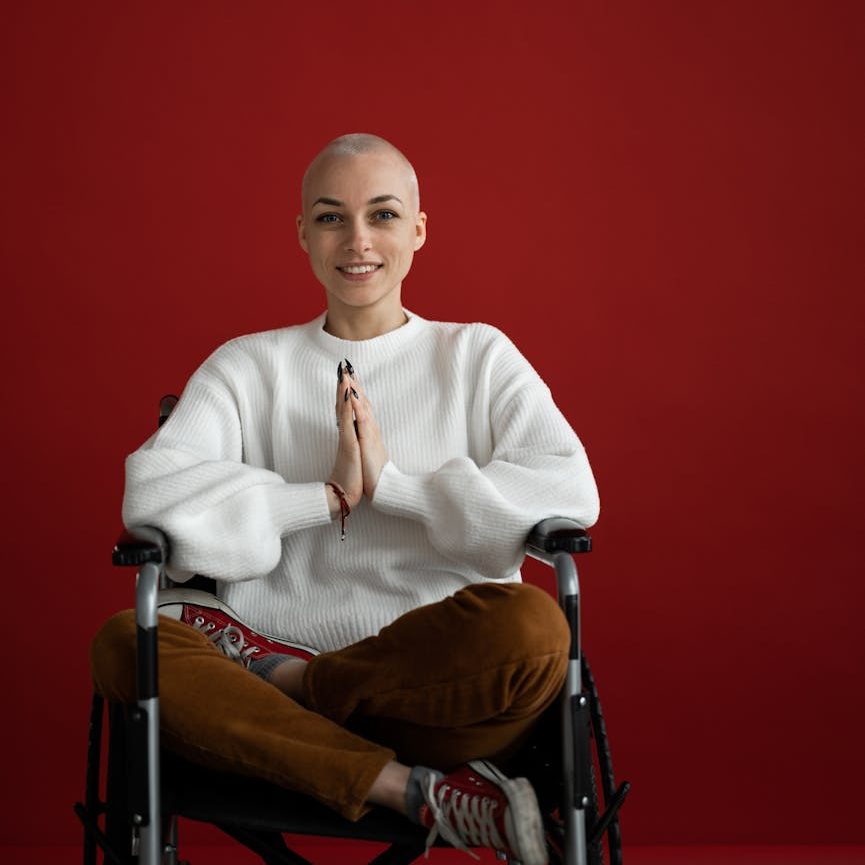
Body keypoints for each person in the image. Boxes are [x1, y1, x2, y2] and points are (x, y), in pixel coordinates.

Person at [91, 133, 600, 865]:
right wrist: (320, 498)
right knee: (126, 642)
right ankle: (409, 789)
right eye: (331, 217)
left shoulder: (477, 356)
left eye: (382, 215)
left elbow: (569, 489)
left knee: (534, 627)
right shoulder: (247, 366)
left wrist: (396, 488)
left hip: (428, 694)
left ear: (418, 229)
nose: (357, 240)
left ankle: (301, 683)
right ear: (303, 233)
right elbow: (153, 493)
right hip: (258, 700)